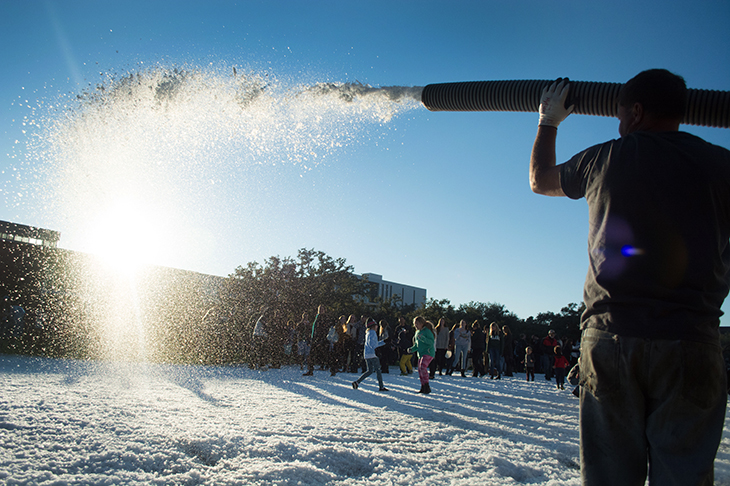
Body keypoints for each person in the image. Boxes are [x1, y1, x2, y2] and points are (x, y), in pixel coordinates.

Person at [530, 70, 730, 485]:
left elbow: (539, 180)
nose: (619, 124)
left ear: (635, 112)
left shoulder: (604, 157)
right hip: (693, 340)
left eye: (620, 114)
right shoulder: (720, 163)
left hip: (612, 337)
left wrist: (547, 122)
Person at [352, 318, 388, 391]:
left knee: (370, 371)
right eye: (376, 325)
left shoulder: (368, 333)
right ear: (373, 326)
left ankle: (357, 382)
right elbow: (373, 344)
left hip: (367, 354)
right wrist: (382, 343)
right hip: (373, 354)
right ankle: (381, 386)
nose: (377, 327)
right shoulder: (373, 333)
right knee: (378, 370)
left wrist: (383, 342)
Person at [408, 316, 436, 394]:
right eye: (415, 324)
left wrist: (423, 338)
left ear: (421, 323)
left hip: (428, 352)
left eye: (417, 324)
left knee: (423, 367)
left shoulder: (427, 331)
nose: (416, 326)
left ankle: (427, 385)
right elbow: (417, 345)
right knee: (420, 369)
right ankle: (423, 386)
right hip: (420, 353)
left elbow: (431, 342)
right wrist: (412, 349)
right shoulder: (417, 332)